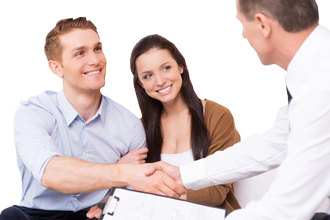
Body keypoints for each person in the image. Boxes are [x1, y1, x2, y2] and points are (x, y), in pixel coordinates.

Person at [147, 0, 330, 219]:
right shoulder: (313, 70)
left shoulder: (320, 86)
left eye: (242, 23)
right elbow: (272, 146)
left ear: (262, 24)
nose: (243, 35)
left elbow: (284, 209)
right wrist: (182, 174)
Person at [0, 16, 185, 220]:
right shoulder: (33, 113)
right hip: (36, 215)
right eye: (80, 53)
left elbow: (136, 192)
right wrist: (121, 170)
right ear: (56, 68)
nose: (95, 60)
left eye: (97, 48)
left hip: (97, 215)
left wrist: (108, 199)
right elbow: (52, 174)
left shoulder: (129, 124)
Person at [86, 33, 241, 219]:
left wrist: (158, 194)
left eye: (166, 68)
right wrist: (106, 202)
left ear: (181, 66)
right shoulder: (140, 126)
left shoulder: (217, 115)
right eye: (148, 75)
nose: (160, 81)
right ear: (141, 84)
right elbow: (134, 182)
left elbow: (217, 191)